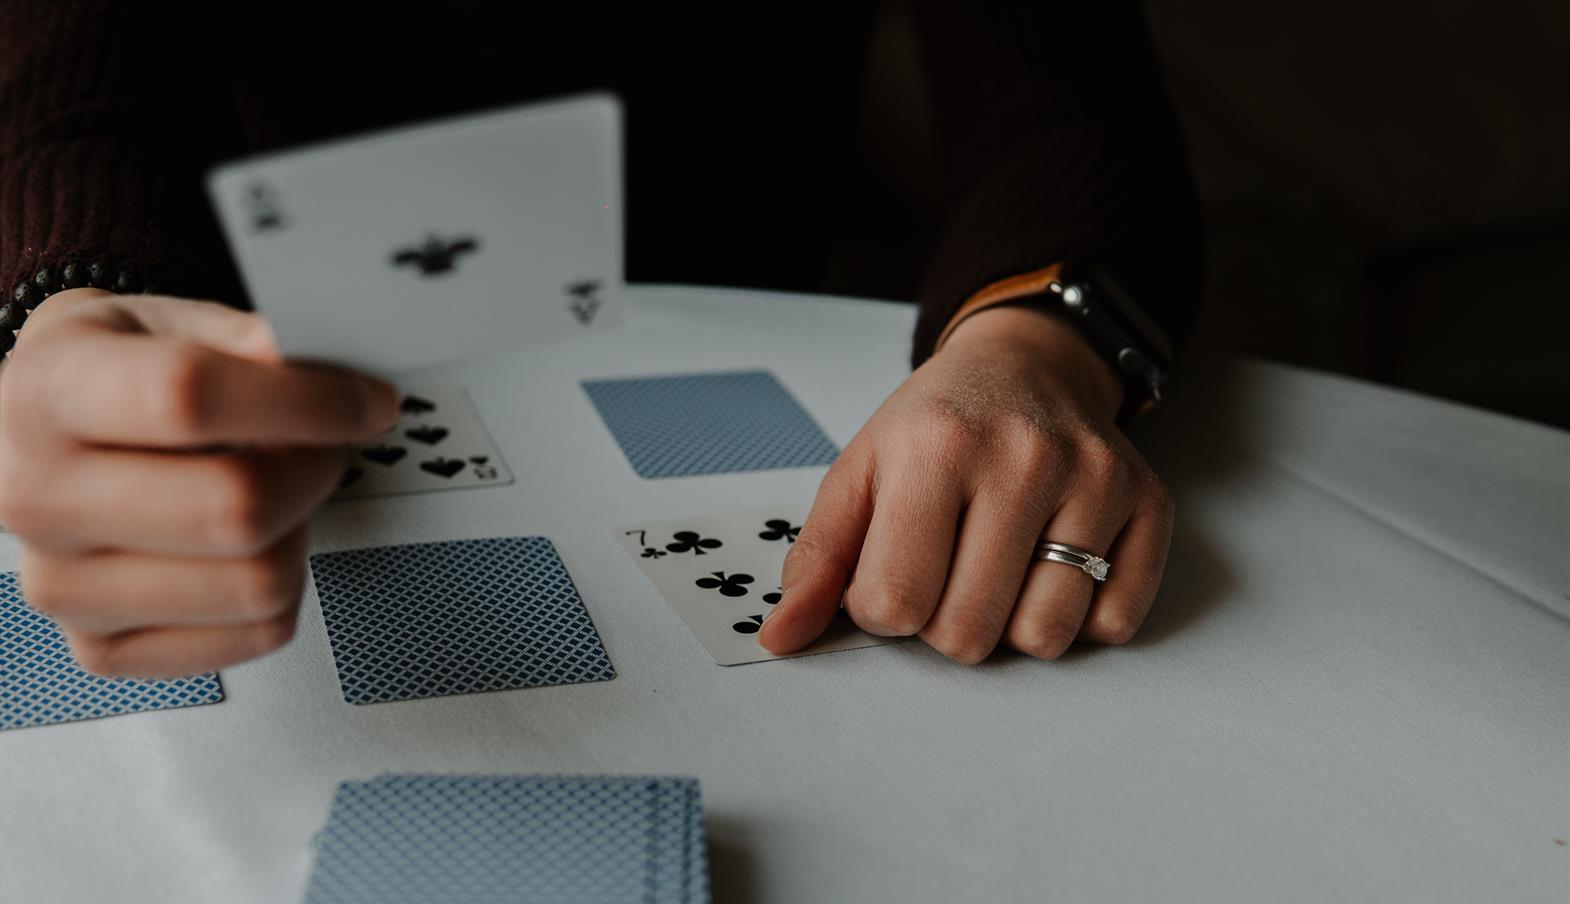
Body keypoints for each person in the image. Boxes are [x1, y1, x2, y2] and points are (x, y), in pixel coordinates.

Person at [0, 3, 1201, 677]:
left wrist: (1032, 349)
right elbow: (65, 97)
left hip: (735, 312)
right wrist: (65, 305)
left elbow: (1072, 114)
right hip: (270, 340)